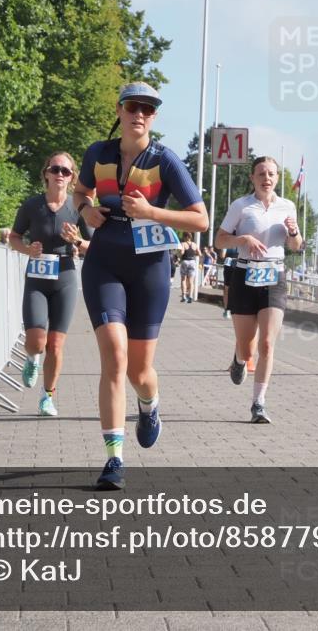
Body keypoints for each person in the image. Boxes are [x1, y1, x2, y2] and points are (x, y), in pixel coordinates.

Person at [74, 82, 207, 490]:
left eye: (148, 109)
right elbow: (81, 190)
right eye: (133, 106)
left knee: (139, 370)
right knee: (113, 357)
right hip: (104, 263)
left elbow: (200, 219)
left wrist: (152, 211)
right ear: (119, 109)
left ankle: (149, 406)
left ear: (154, 117)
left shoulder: (165, 161)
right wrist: (85, 209)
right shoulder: (98, 153)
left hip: (149, 268)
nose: (140, 114)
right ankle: (114, 459)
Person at [215, 156, 302, 423]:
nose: (267, 178)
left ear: (277, 179)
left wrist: (294, 232)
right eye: (261, 174)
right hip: (244, 274)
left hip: (274, 275)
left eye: (272, 174)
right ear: (252, 178)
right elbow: (219, 240)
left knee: (267, 343)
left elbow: (296, 246)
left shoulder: (287, 206)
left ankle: (259, 404)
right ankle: (240, 359)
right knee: (248, 347)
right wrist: (242, 238)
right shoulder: (241, 206)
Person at [8, 151, 91, 417]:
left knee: (55, 344)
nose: (59, 175)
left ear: (72, 177)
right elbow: (14, 237)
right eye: (55, 169)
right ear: (45, 173)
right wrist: (26, 249)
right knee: (36, 341)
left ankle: (48, 396)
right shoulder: (32, 205)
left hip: (65, 276)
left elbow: (94, 245)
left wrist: (77, 241)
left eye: (65, 171)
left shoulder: (79, 207)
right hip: (37, 276)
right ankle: (32, 359)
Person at [179, 232, 199, 303]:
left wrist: (179, 255)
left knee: (183, 279)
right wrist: (193, 254)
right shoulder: (195, 244)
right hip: (192, 262)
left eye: (184, 237)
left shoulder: (183, 244)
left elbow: (181, 253)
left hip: (185, 261)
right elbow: (199, 253)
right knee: (191, 281)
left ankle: (183, 296)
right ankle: (190, 296)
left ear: (186, 237)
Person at [220, 246, 238, 319]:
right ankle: (235, 309)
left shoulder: (227, 243)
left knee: (227, 288)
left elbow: (222, 255)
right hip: (239, 264)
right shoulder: (242, 240)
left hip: (229, 264)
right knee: (237, 288)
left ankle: (227, 310)